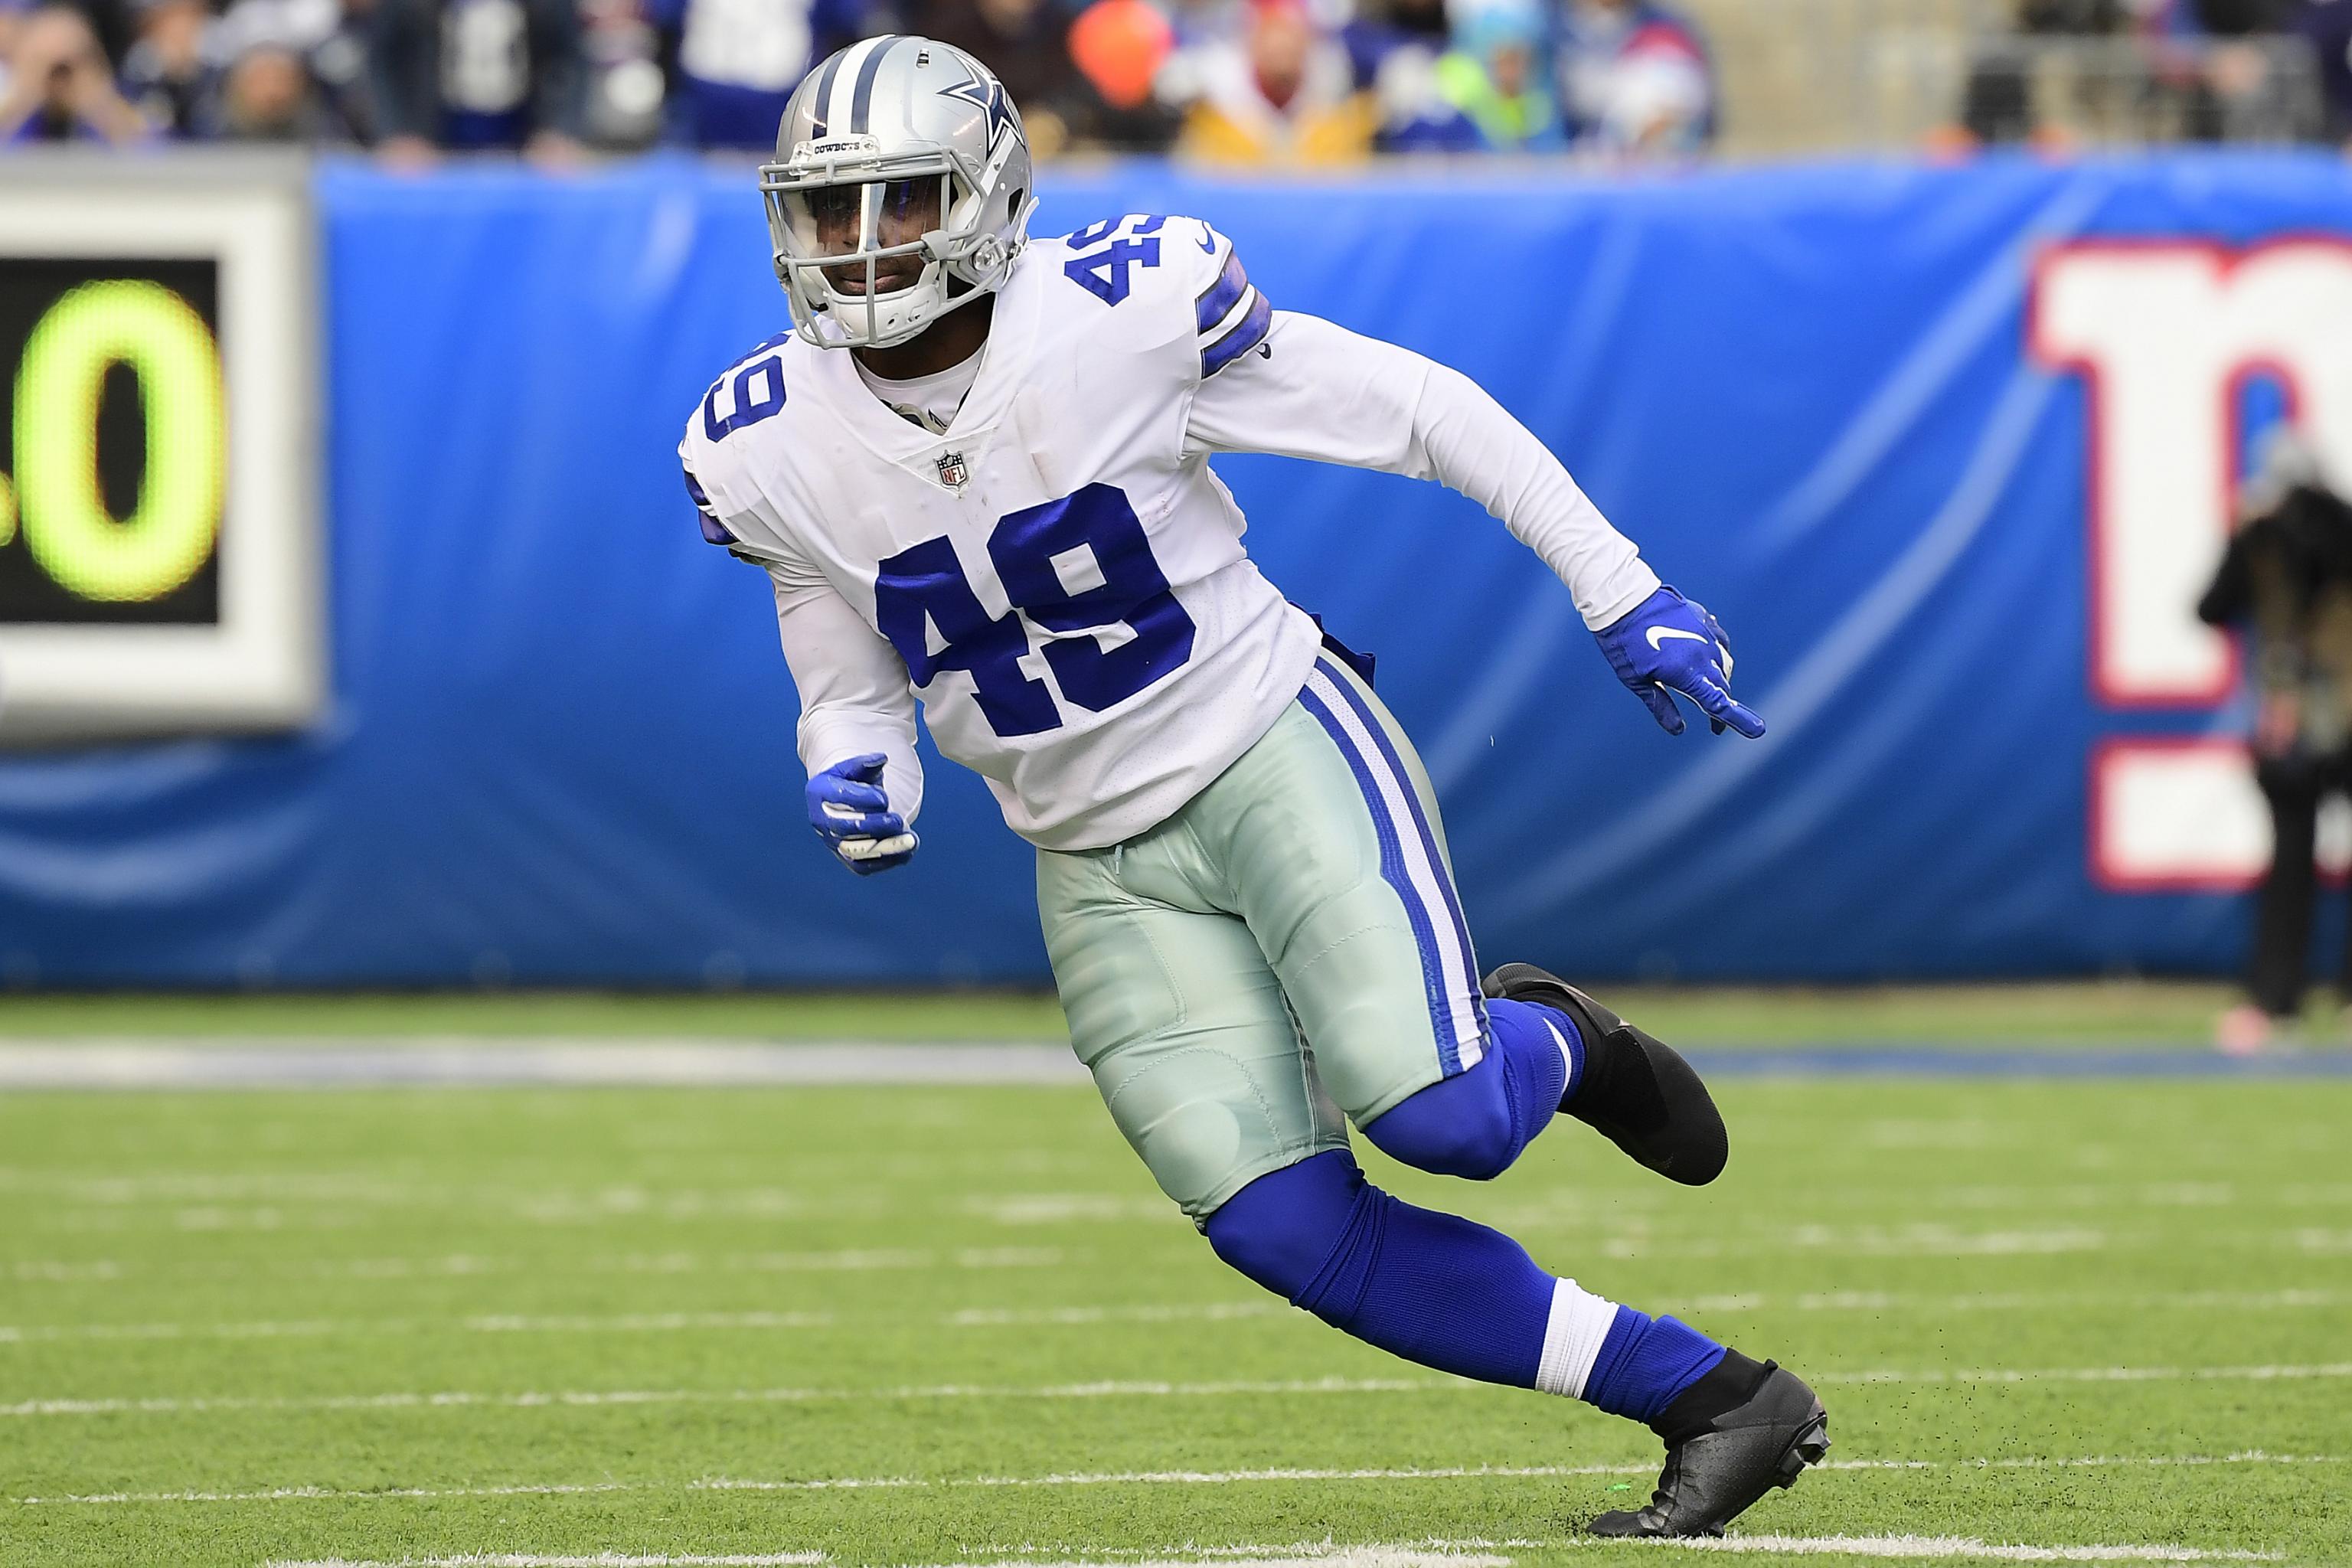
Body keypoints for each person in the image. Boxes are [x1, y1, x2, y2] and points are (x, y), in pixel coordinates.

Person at [678, 37, 1828, 1539]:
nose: (865, 243)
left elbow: (1418, 408)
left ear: (986, 191)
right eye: (831, 211)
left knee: (1447, 1119)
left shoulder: (1118, 314)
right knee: (1284, 1226)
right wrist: (854, 762)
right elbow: (843, 658)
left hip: (1265, 741)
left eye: (900, 200)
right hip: (1091, 853)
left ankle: (1562, 1040)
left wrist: (1619, 587)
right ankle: (1715, 1398)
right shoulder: (762, 441)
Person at [2200, 429, 2352, 1054]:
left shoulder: (2323, 532)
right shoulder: (2270, 541)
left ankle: (2278, 998)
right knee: (2288, 863)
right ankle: (2276, 998)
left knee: (2290, 866)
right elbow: (2213, 607)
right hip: (2296, 722)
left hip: (2332, 715)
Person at [0, 1, 149, 142]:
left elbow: (153, 153)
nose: (59, 77)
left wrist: (100, 103)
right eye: (41, 59)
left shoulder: (130, 93)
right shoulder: (9, 102)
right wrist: (24, 99)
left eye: (72, 61)